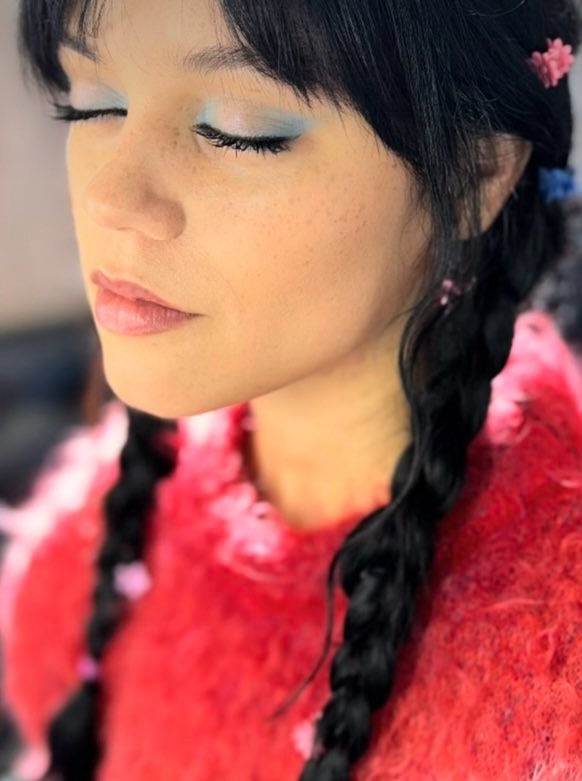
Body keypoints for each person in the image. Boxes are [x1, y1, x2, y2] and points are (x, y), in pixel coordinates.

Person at [0, 0, 581, 779]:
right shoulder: (78, 556)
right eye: (95, 104)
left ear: (479, 173)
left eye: (239, 130)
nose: (112, 198)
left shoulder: (556, 669)